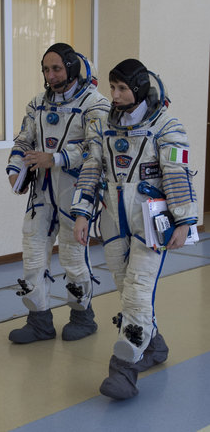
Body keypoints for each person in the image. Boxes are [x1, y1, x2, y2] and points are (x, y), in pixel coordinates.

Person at [71, 59, 198, 399]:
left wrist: (184, 220)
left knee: (139, 292)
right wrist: (82, 213)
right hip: (113, 221)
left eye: (122, 88)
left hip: (151, 224)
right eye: (112, 88)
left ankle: (123, 371)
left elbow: (177, 175)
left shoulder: (167, 126)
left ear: (140, 89)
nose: (114, 94)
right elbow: (91, 168)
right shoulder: (103, 126)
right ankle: (153, 345)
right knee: (126, 290)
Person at [6, 43, 110, 344]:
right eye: (46, 69)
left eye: (57, 69)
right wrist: (15, 170)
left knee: (74, 256)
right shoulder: (38, 103)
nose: (50, 75)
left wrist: (57, 158)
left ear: (72, 68)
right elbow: (23, 140)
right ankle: (39, 321)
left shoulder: (95, 104)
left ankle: (82, 316)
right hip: (41, 192)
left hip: (76, 190)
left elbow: (96, 147)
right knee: (33, 255)